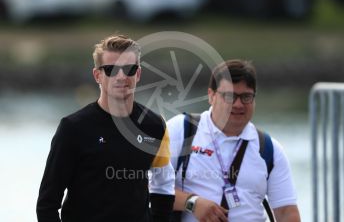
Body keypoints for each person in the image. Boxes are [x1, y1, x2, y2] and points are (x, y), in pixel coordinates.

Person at [36, 34, 175, 222]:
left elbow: (163, 185)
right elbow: (47, 205)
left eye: (129, 69)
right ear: (97, 75)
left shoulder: (156, 126)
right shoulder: (73, 128)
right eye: (111, 70)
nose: (121, 76)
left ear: (138, 74)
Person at [167, 59, 300, 222]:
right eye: (229, 96)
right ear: (211, 96)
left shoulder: (269, 149)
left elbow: (286, 212)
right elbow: (148, 187)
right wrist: (192, 203)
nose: (238, 104)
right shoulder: (181, 129)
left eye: (246, 97)